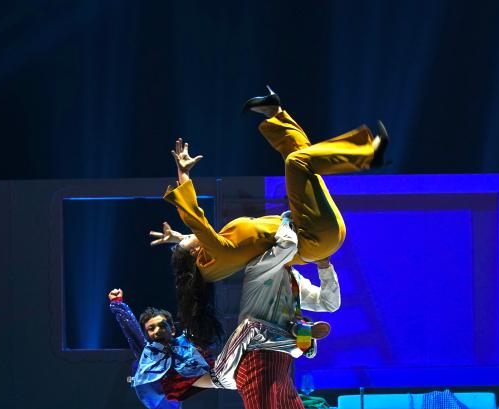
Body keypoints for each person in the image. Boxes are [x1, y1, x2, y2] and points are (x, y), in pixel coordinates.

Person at [151, 87, 388, 283]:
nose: (188, 237)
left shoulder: (215, 256)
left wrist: (178, 238)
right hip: (312, 237)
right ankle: (368, 154)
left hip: (312, 233)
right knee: (297, 163)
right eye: (187, 241)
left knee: (299, 157)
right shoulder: (216, 254)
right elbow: (195, 219)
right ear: (195, 253)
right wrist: (183, 173)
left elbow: (197, 238)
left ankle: (275, 113)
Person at [219, 211, 340, 409]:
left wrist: (324, 264)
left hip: (283, 364)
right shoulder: (259, 268)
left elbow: (329, 303)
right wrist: (287, 219)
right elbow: (286, 244)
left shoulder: (293, 278)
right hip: (256, 359)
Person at [107, 287, 325, 409]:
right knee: (249, 327)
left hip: (225, 374)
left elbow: (196, 310)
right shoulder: (150, 354)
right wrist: (118, 305)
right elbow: (132, 331)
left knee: (258, 348)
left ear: (172, 329)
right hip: (218, 377)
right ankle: (299, 337)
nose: (156, 331)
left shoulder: (185, 341)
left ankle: (301, 346)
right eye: (151, 329)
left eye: (161, 326)